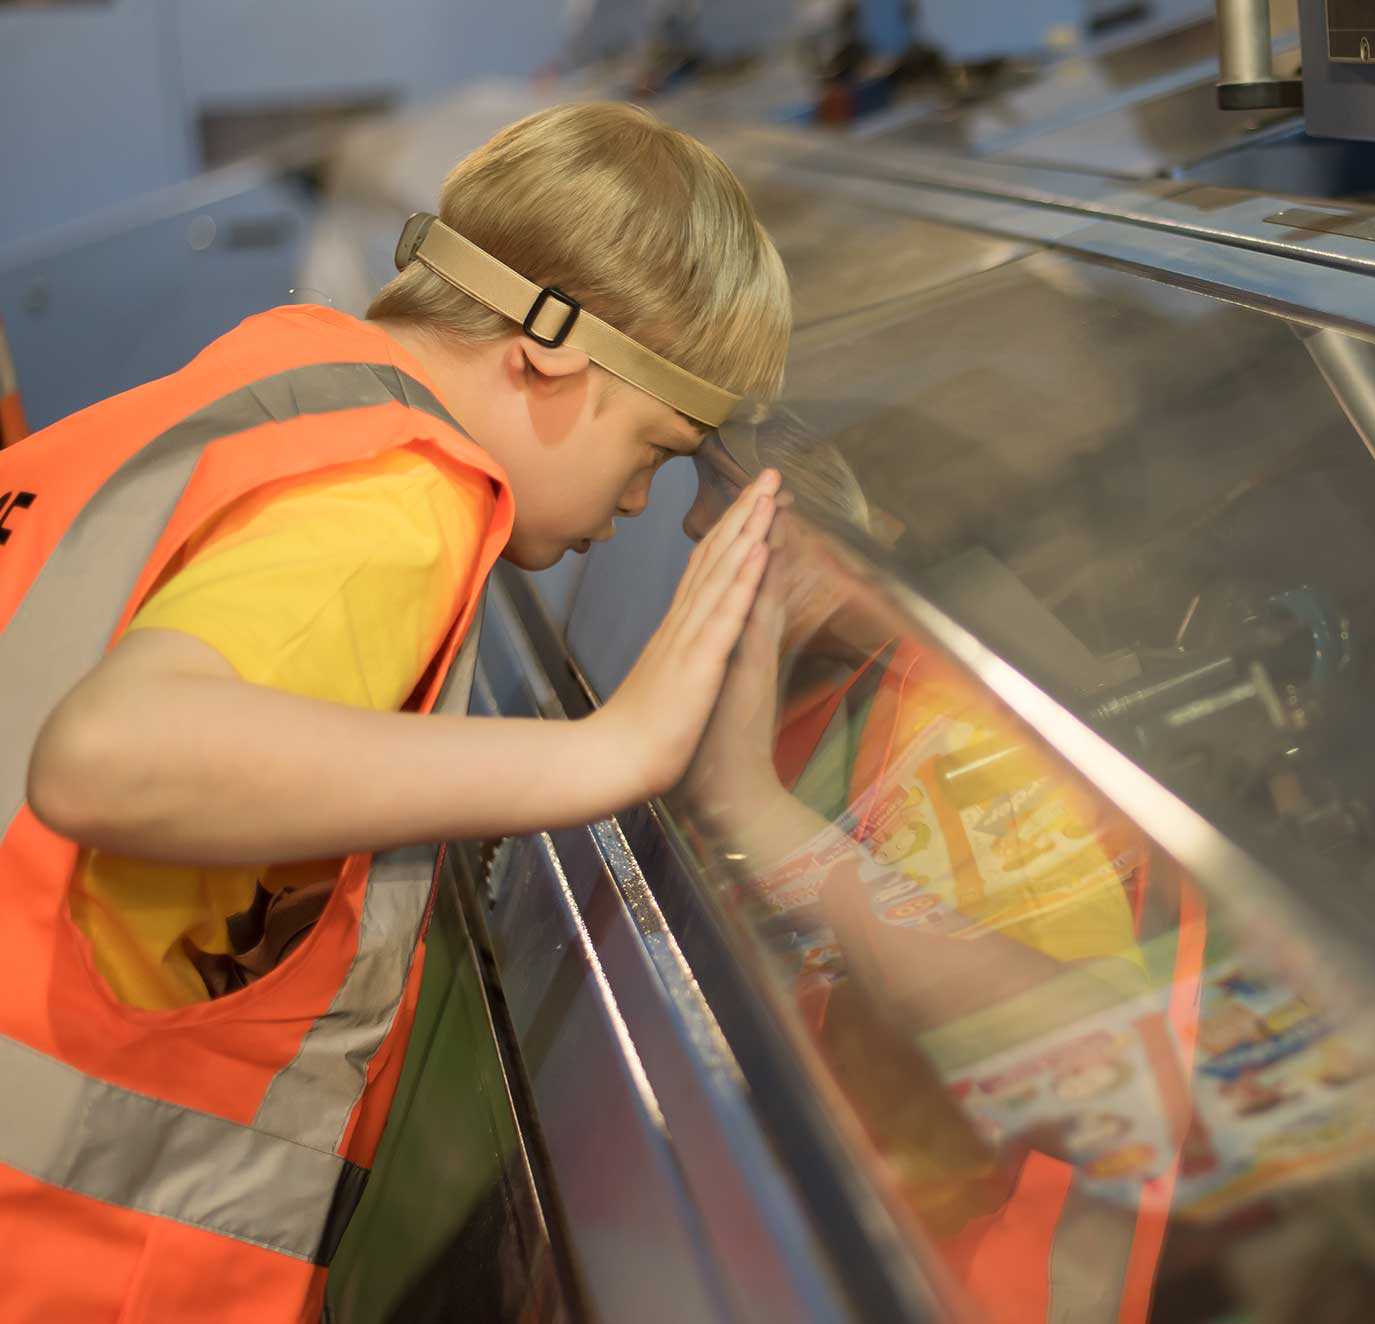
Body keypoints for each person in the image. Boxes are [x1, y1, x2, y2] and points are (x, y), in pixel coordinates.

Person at [0, 102, 791, 1321]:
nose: (642, 499)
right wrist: (606, 750)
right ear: (552, 350)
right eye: (653, 447)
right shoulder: (401, 497)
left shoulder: (273, 387)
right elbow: (107, 755)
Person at [677, 422, 1209, 1324]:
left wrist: (766, 824)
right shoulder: (851, 683)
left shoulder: (970, 741)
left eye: (723, 492)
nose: (692, 523)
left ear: (838, 524)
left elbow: (1125, 1093)